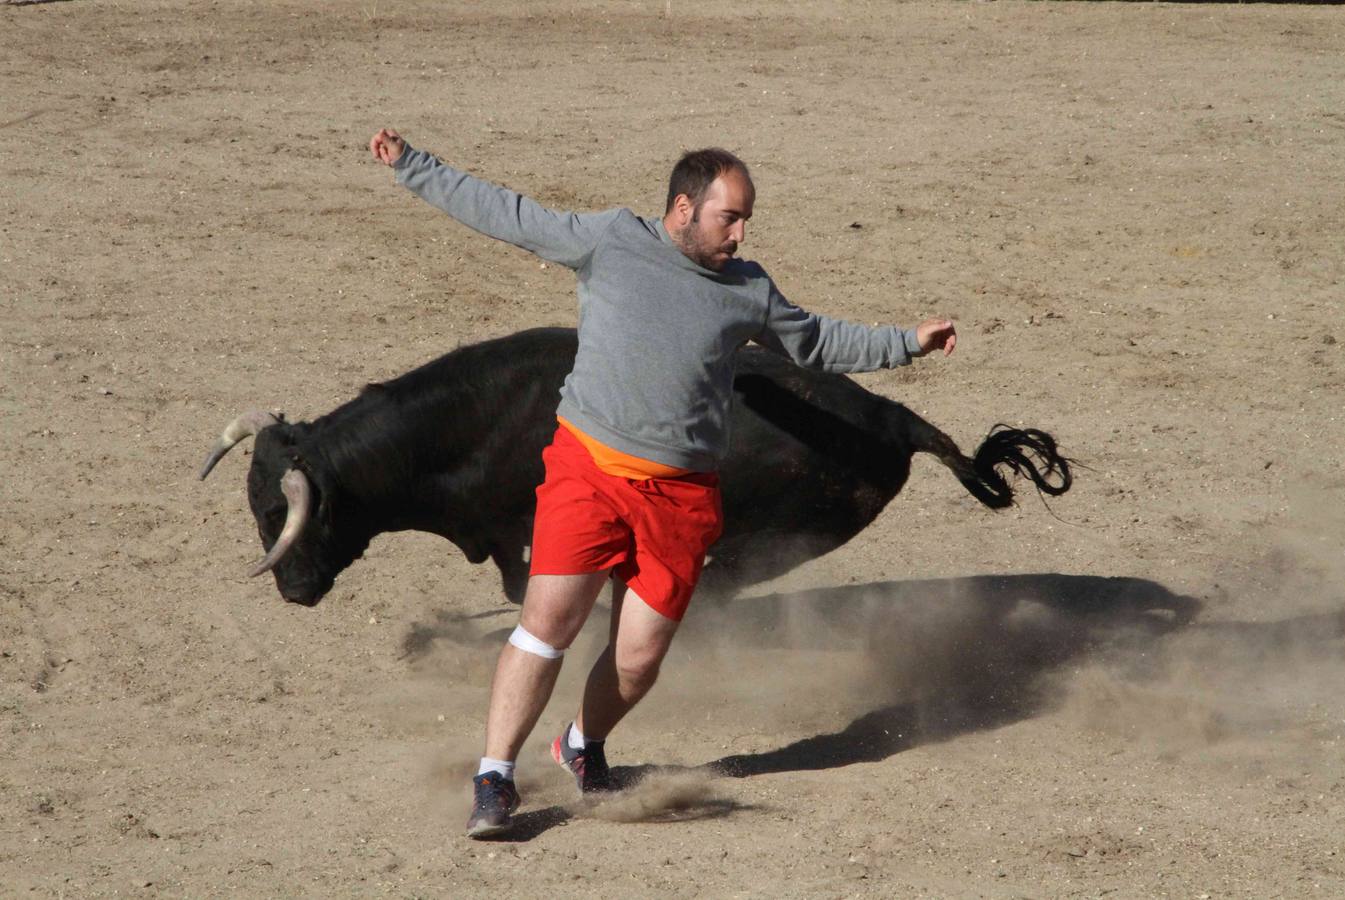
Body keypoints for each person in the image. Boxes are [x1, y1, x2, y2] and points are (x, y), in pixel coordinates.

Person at [370, 128, 957, 838]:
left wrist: (906, 343)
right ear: (683, 208)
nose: (739, 234)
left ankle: (580, 744)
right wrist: (414, 167)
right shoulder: (612, 241)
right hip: (588, 472)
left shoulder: (748, 289)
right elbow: (508, 215)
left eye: (744, 221)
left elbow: (817, 342)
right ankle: (494, 776)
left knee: (639, 659)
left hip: (680, 497)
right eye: (728, 218)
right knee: (548, 624)